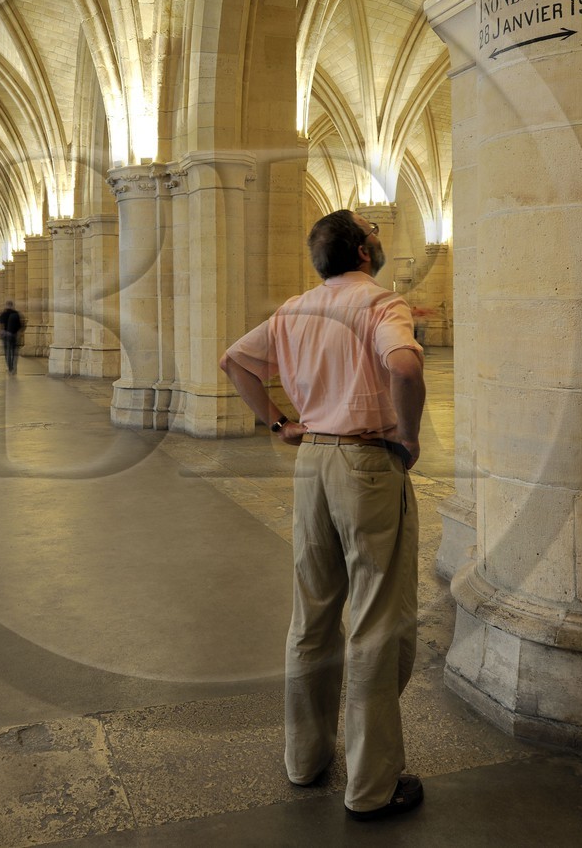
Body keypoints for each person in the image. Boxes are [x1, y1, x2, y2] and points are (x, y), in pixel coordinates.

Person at [219, 209, 426, 822]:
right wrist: (409, 437)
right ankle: (371, 786)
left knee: (311, 616)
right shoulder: (382, 303)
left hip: (312, 462)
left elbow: (234, 362)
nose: (378, 241)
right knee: (377, 621)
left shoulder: (294, 310)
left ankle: (304, 759)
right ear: (363, 253)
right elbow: (406, 365)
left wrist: (281, 423)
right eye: (375, 234)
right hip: (367, 463)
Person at [0, 300, 24, 374]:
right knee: (14, 352)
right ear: (12, 305)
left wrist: (1, 332)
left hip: (5, 335)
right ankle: (14, 367)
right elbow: (20, 325)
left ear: (6, 305)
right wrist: (18, 333)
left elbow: (0, 325)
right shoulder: (16, 314)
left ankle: (10, 367)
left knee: (7, 352)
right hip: (13, 335)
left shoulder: (3, 314)